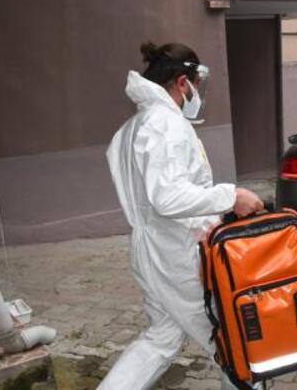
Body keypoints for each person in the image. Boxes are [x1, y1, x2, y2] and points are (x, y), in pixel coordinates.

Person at [99, 42, 264, 390]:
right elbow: (167, 197)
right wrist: (231, 196)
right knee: (231, 340)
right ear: (181, 83)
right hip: (178, 256)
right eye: (196, 85)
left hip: (152, 251)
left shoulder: (132, 128)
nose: (197, 94)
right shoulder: (166, 125)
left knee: (161, 338)